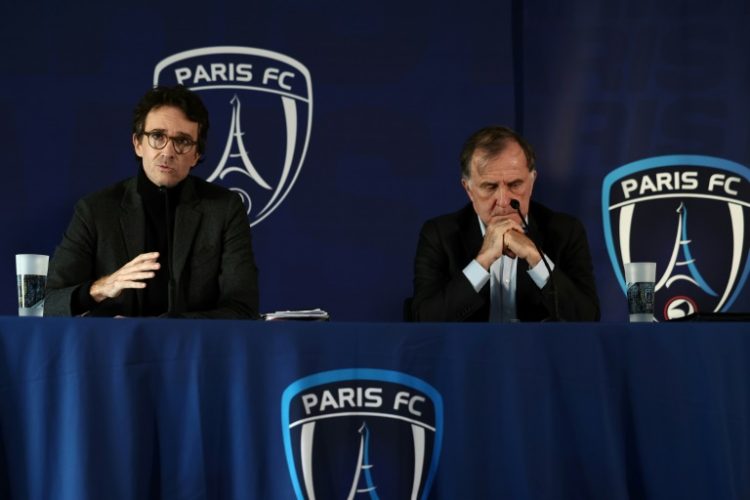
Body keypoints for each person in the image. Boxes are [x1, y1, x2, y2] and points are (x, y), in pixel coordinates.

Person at [45, 85, 259, 318]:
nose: (168, 152)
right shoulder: (95, 210)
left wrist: (162, 329)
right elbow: (47, 304)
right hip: (114, 350)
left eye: (183, 141)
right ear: (138, 143)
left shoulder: (224, 209)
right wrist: (102, 287)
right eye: (157, 136)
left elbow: (242, 309)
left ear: (196, 155)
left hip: (193, 350)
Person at [411, 125, 599, 322]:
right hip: (469, 353)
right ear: (468, 189)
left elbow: (588, 318)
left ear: (532, 181)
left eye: (515, 184)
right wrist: (482, 261)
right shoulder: (440, 235)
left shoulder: (565, 231)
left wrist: (536, 258)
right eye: (490, 187)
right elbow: (424, 320)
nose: (503, 200)